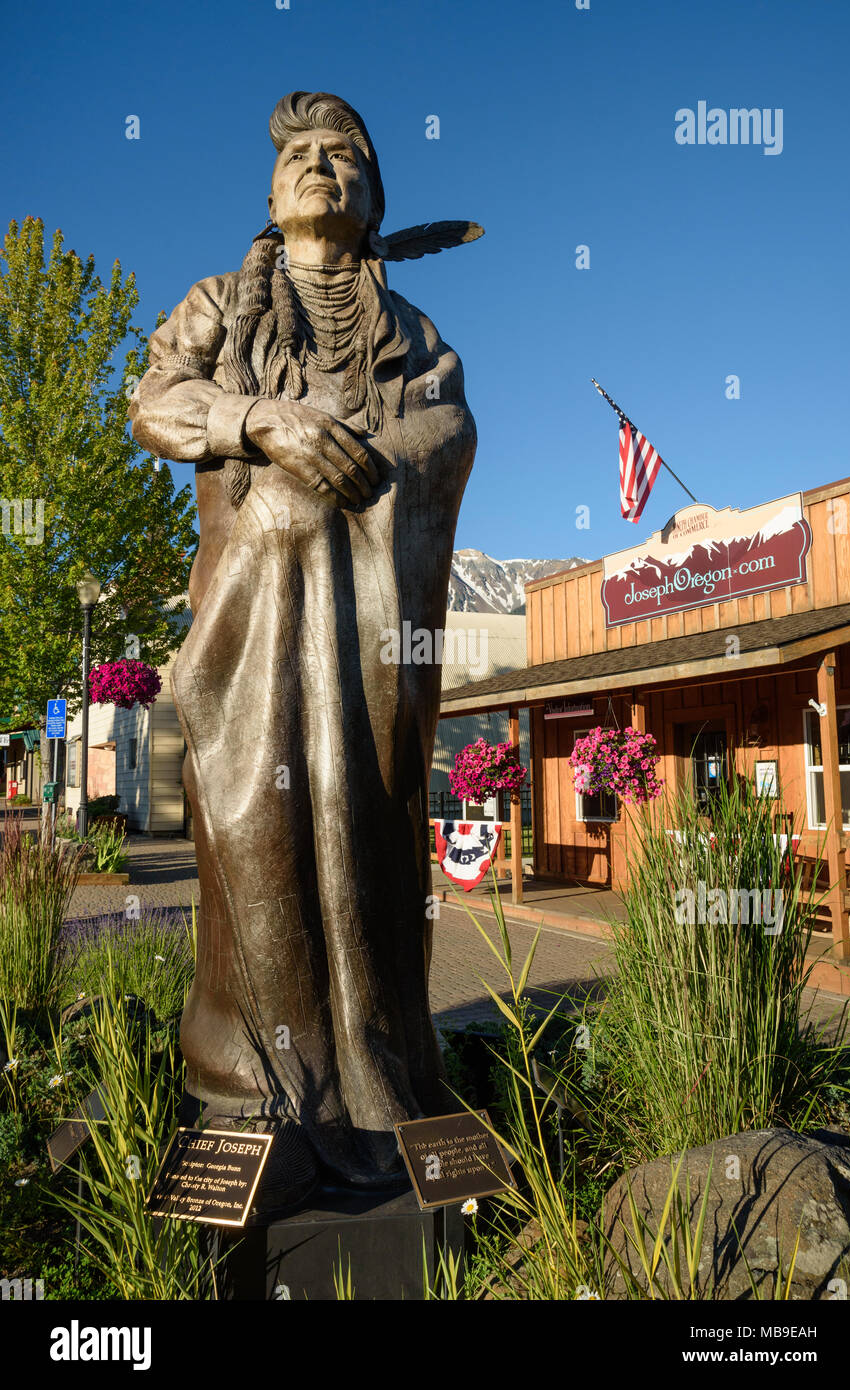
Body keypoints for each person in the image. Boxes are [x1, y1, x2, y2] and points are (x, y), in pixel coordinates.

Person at [129, 91, 479, 1205]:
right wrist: (263, 426)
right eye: (304, 159)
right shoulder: (221, 305)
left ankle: (380, 1082)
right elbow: (156, 401)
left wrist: (369, 464)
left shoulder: (413, 334)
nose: (324, 168)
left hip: (370, 638)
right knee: (255, 840)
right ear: (273, 199)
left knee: (371, 831)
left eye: (348, 158)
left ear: (373, 201)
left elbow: (449, 426)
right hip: (252, 633)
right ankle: (254, 1094)